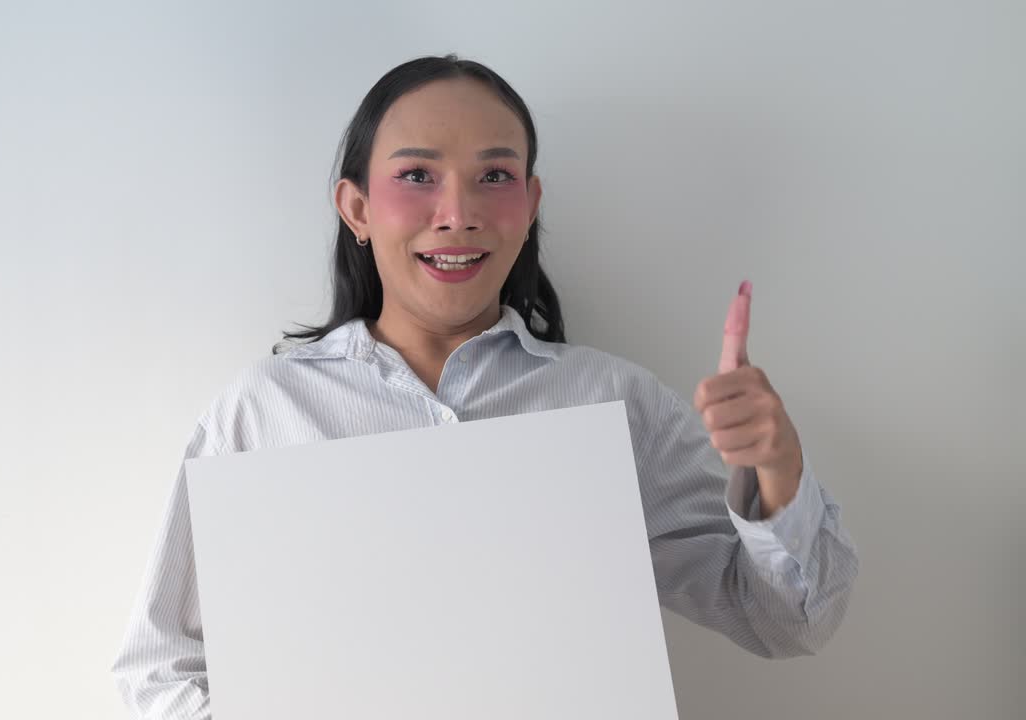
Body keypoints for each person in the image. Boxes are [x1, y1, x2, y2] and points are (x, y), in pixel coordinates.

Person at [110, 53, 859, 719]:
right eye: (417, 176)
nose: (459, 214)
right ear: (357, 209)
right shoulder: (264, 411)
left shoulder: (613, 403)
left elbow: (787, 620)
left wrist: (778, 472)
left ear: (529, 205)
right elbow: (159, 667)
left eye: (494, 176)